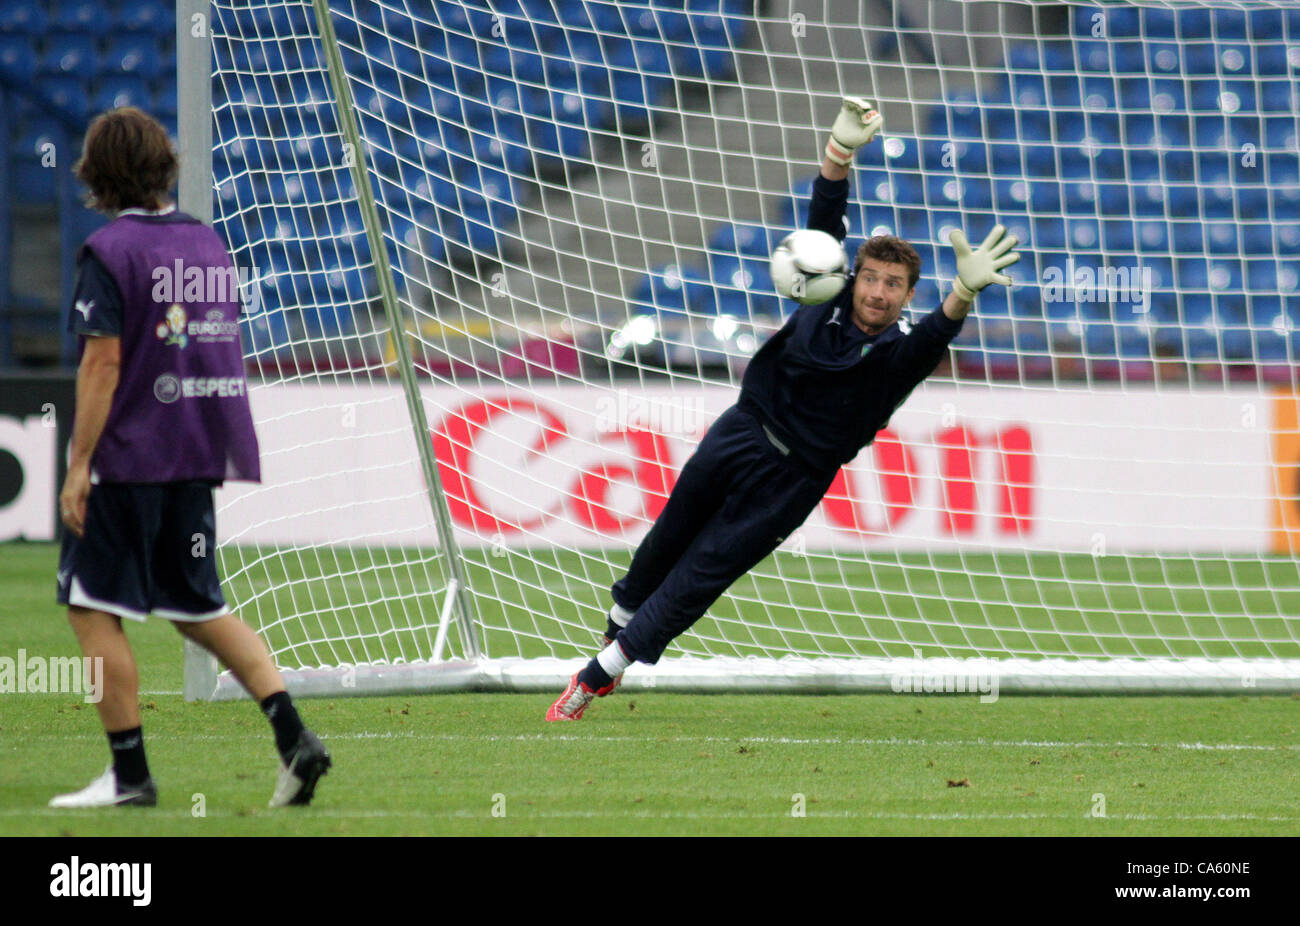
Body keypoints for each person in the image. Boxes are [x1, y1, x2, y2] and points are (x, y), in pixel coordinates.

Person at [548, 98, 1021, 721]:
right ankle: (618, 627)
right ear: (855, 278)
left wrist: (963, 291)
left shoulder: (898, 355)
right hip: (740, 431)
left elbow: (936, 335)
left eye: (894, 285)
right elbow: (825, 222)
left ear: (908, 295)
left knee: (702, 575)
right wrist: (838, 154)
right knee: (663, 546)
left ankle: (592, 680)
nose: (878, 292)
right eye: (872, 278)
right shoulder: (823, 292)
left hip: (794, 478)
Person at [49, 107, 331, 806]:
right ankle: (295, 737)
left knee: (89, 608)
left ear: (100, 174)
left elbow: (102, 364)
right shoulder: (208, 245)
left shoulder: (109, 252)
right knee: (196, 606)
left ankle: (130, 777)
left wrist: (79, 462)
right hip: (195, 453)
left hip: (130, 456)